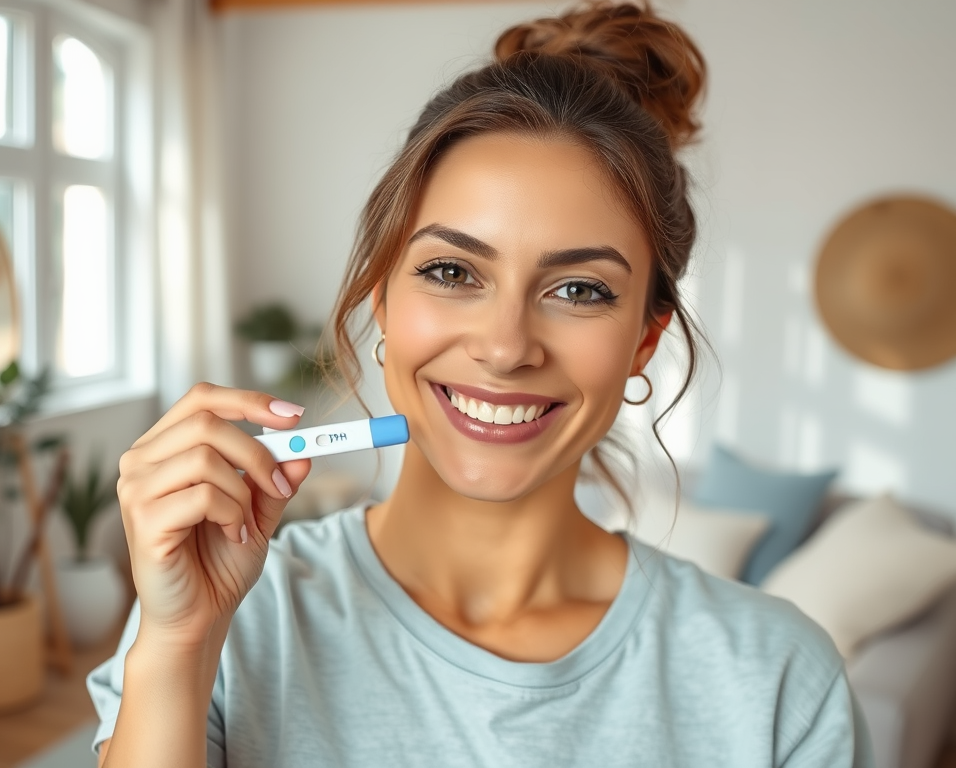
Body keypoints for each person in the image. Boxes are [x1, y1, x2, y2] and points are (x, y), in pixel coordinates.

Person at [90, 2, 874, 766]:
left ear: (644, 340)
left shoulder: (778, 684)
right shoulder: (227, 619)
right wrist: (180, 645)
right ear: (382, 300)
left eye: (579, 290)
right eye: (451, 271)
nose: (505, 348)